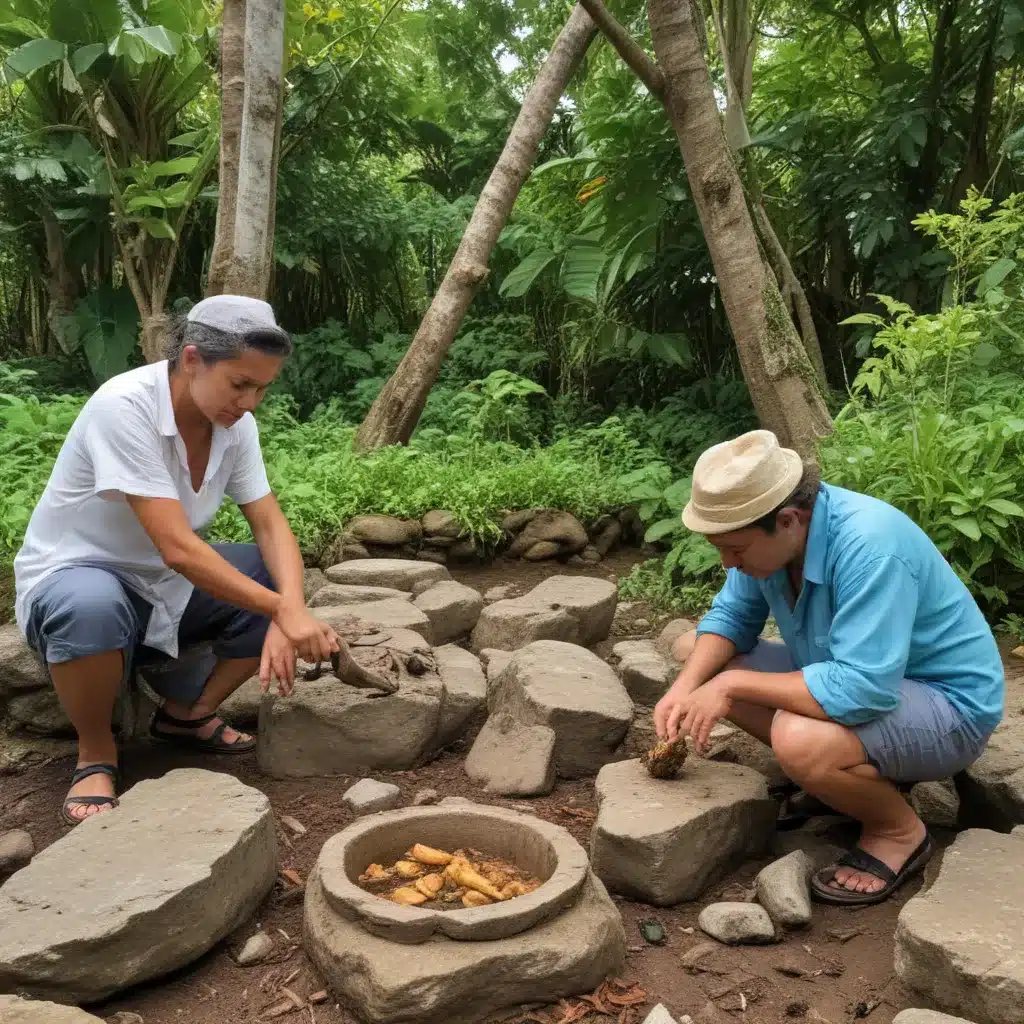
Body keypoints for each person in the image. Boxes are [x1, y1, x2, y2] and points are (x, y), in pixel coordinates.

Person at [14, 295, 340, 826]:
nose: (251, 402)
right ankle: (96, 752)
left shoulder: (235, 427)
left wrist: (290, 604)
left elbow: (269, 522)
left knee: (267, 568)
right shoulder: (124, 407)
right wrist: (284, 612)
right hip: (79, 575)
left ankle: (187, 715)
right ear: (192, 359)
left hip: (160, 582)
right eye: (240, 384)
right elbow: (177, 547)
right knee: (90, 603)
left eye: (262, 388)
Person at [653, 430, 1004, 906]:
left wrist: (732, 684)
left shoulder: (870, 544)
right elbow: (732, 618)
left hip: (947, 707)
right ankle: (854, 777)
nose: (726, 562)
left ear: (788, 519)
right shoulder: (773, 541)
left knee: (798, 738)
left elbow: (863, 689)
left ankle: (897, 830)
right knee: (698, 653)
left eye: (735, 550)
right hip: (866, 681)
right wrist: (685, 688)